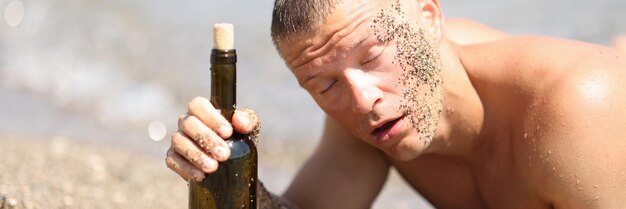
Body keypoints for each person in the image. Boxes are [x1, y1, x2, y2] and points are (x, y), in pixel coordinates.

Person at [166, 0, 626, 208]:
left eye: (373, 55)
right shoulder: (376, 119)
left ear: (429, 18)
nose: (363, 100)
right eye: (325, 87)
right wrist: (229, 169)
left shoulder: (574, 109)